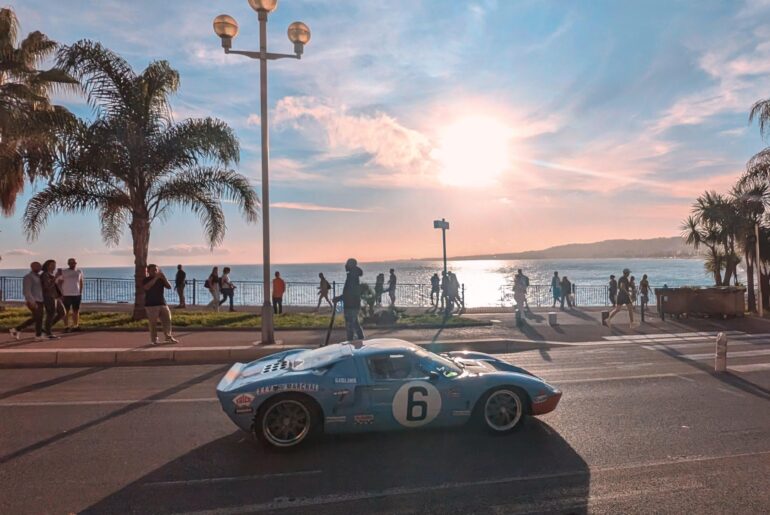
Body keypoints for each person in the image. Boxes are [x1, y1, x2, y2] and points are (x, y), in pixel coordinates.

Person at [143, 264, 178, 345]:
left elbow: (169, 286)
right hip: (151, 305)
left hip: (162, 303)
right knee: (153, 323)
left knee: (167, 320)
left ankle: (168, 337)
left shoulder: (161, 279)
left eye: (156, 270)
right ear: (148, 271)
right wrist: (156, 278)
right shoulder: (146, 279)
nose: (155, 271)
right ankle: (154, 340)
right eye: (153, 270)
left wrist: (164, 277)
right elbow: (146, 287)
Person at [9, 262, 44, 341]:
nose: (40, 267)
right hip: (34, 300)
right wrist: (32, 301)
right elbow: (26, 291)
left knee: (37, 318)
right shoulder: (28, 277)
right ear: (32, 267)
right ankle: (38, 336)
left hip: (40, 300)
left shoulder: (39, 277)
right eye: (38, 266)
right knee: (38, 318)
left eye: (40, 266)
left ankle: (16, 329)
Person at [333, 258, 364, 340]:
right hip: (352, 304)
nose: (345, 265)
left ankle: (352, 343)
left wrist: (339, 298)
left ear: (351, 265)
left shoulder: (352, 277)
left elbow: (349, 293)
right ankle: (359, 342)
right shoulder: (352, 275)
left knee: (351, 326)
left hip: (351, 305)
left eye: (347, 264)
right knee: (354, 324)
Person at [57, 258, 84, 332]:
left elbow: (81, 282)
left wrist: (80, 292)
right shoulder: (63, 272)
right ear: (68, 263)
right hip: (66, 294)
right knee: (66, 311)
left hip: (77, 294)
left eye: (74, 262)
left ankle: (76, 326)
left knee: (76, 311)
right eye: (71, 263)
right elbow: (59, 283)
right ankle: (66, 327)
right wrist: (61, 293)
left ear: (76, 263)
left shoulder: (79, 271)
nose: (72, 264)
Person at [40, 259, 65, 339]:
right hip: (48, 296)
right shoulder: (45, 275)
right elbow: (47, 287)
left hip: (55, 296)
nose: (54, 266)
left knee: (62, 312)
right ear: (47, 265)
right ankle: (48, 333)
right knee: (51, 314)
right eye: (52, 264)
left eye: (55, 264)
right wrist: (56, 277)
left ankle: (45, 329)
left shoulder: (51, 274)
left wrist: (59, 285)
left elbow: (53, 286)